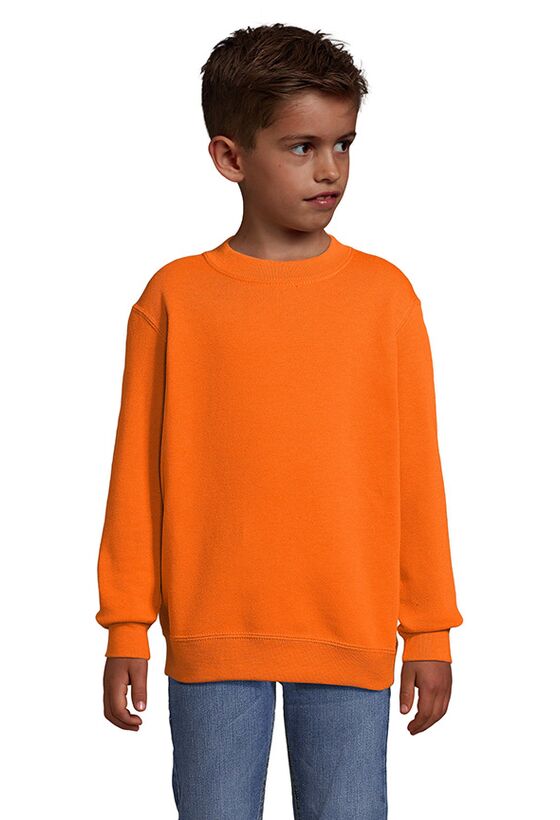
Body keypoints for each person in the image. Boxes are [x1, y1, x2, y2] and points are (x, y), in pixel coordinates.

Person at [95, 22, 464, 820]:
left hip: (350, 630)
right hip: (213, 633)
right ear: (231, 158)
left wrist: (430, 630)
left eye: (344, 144)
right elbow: (136, 477)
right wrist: (126, 624)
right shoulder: (174, 299)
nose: (330, 170)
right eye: (302, 147)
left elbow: (415, 475)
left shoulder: (385, 298)